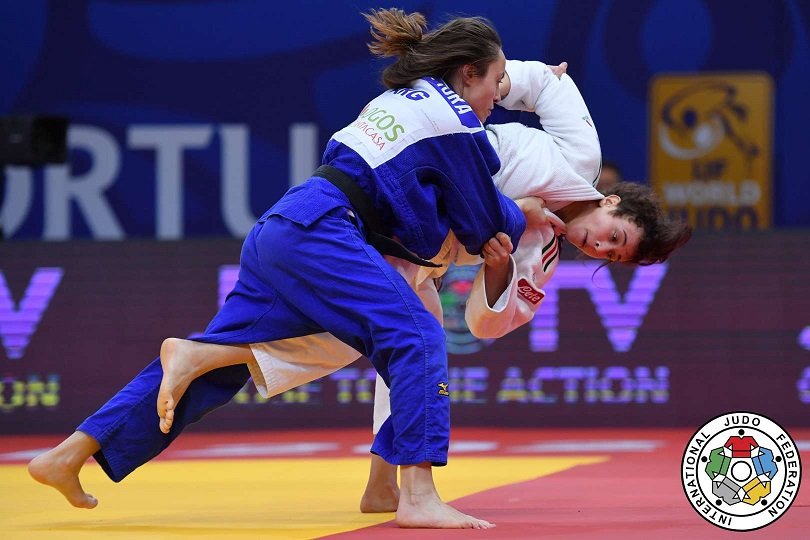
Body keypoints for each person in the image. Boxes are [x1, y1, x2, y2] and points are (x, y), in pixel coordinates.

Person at [28, 8, 528, 530]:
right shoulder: (454, 118)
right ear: (468, 72)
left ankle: (69, 452)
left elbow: (417, 210)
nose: (498, 96)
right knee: (418, 334)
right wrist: (533, 213)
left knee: (215, 369)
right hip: (325, 231)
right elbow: (484, 225)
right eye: (496, 81)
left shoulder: (401, 99)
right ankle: (418, 496)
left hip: (286, 225)